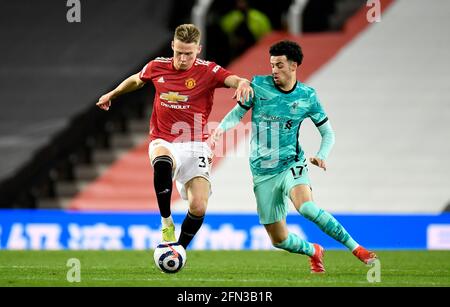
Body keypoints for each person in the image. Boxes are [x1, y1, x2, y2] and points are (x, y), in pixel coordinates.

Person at [211, 40, 377, 273]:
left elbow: (327, 132)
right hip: (262, 172)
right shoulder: (258, 86)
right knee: (279, 240)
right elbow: (237, 114)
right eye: (272, 65)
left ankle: (357, 249)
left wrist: (321, 154)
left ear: (293, 66)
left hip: (291, 163)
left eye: (279, 65)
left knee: (307, 208)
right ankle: (314, 251)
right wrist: (219, 130)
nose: (274, 70)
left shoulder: (307, 96)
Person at [96, 24, 253, 249]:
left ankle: (178, 249)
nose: (182, 58)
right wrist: (112, 94)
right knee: (161, 163)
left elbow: (234, 80)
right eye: (178, 52)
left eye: (188, 53)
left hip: (196, 144)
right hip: (163, 139)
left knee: (198, 206)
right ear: (172, 46)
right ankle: (166, 220)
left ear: (198, 49)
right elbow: (137, 79)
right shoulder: (158, 66)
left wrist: (243, 83)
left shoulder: (208, 71)